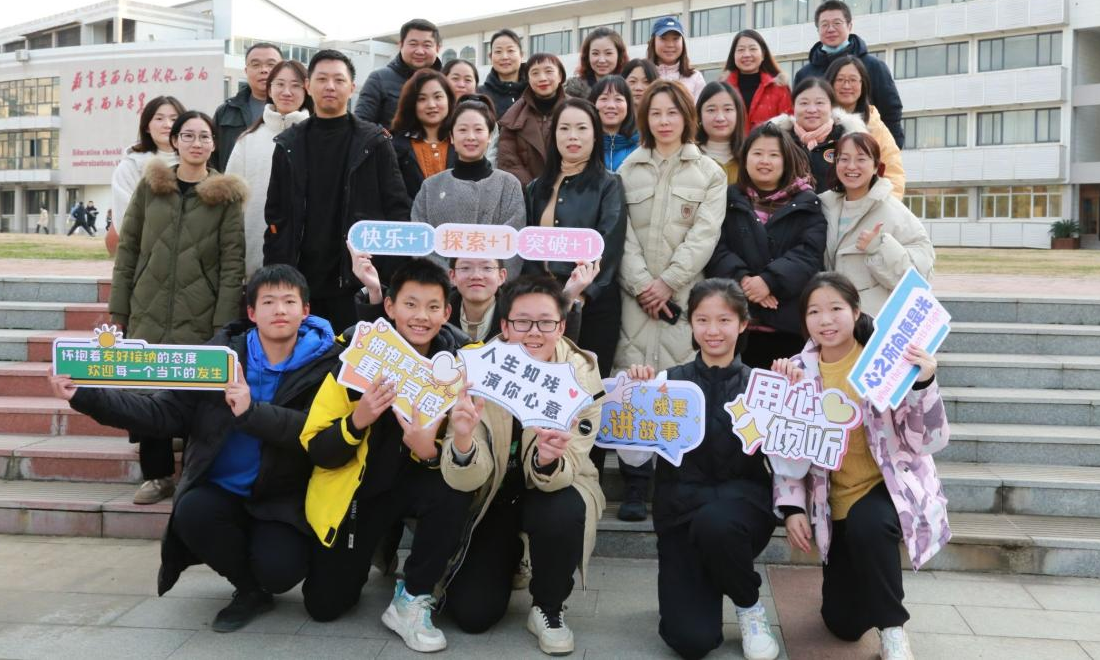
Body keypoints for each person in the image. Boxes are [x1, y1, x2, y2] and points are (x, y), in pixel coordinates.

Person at [49, 265, 337, 632]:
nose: (279, 310)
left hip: (282, 498)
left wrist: (252, 412)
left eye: (289, 301)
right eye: (268, 302)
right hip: (221, 490)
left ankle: (263, 572)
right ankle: (249, 591)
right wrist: (87, 396)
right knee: (192, 511)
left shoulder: (325, 365)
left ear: (305, 310)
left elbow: (313, 430)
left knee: (280, 571)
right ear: (251, 312)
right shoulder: (216, 359)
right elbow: (161, 413)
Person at [300, 259, 474, 653]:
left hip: (422, 483)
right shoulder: (357, 357)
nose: (421, 316)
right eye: (410, 304)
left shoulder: (458, 368)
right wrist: (357, 421)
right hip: (362, 492)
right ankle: (376, 550)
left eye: (433, 307)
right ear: (390, 306)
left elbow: (471, 454)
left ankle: (414, 595)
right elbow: (316, 446)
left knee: (453, 485)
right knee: (324, 605)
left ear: (447, 312)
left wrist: (430, 451)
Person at [773, 272, 950, 660]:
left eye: (835, 308)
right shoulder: (795, 371)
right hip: (833, 505)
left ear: (855, 311)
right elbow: (786, 450)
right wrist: (792, 508)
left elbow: (929, 441)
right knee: (843, 624)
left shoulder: (885, 362)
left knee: (869, 526)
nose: (825, 320)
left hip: (886, 489)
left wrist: (923, 383)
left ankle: (893, 630)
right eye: (814, 312)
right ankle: (870, 586)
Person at [440, 276, 606, 655]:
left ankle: (548, 607)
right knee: (473, 615)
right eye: (522, 321)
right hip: (493, 491)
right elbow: (465, 477)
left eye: (545, 322)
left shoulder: (581, 373)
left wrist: (548, 459)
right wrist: (463, 440)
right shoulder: (477, 367)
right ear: (504, 325)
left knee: (562, 508)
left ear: (561, 326)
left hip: (556, 487)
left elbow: (572, 459)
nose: (534, 332)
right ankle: (513, 556)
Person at [620, 279, 783, 660]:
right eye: (702, 320)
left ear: (743, 324)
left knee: (717, 524)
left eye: (724, 320)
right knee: (691, 641)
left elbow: (788, 462)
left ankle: (748, 606)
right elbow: (635, 459)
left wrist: (792, 391)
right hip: (680, 514)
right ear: (690, 324)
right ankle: (708, 582)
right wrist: (635, 401)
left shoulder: (763, 387)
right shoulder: (667, 384)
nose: (713, 330)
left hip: (741, 512)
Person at [110, 110, 247, 505]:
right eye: (188, 135)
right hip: (147, 307)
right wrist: (119, 310)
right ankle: (156, 477)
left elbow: (232, 264)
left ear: (214, 144)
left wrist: (223, 323)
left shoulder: (225, 197)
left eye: (204, 136)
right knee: (148, 392)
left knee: (195, 394)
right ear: (174, 141)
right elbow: (129, 248)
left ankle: (192, 475)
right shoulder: (151, 186)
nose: (196, 143)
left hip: (200, 312)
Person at [614, 79, 727, 520]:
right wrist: (643, 284)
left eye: (672, 112)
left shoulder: (710, 173)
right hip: (635, 297)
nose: (664, 121)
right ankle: (635, 483)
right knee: (632, 378)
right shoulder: (628, 169)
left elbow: (704, 236)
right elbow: (620, 234)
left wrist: (667, 283)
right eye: (656, 113)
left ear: (687, 117)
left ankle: (675, 480)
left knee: (678, 382)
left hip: (683, 297)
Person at [263, 49, 412, 333]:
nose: (330, 86)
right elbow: (275, 216)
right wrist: (277, 277)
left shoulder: (375, 142)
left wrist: (386, 278)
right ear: (308, 85)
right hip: (301, 283)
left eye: (339, 80)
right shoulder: (288, 144)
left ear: (352, 87)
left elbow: (397, 211)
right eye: (322, 79)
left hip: (359, 283)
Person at [707, 123, 825, 368]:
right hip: (736, 324)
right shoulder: (728, 198)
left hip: (788, 328)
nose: (764, 161)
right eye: (757, 153)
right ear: (745, 158)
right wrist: (744, 281)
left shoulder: (807, 203)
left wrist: (769, 281)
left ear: (786, 160)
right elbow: (715, 246)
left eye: (773, 155)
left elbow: (809, 254)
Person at [524, 98, 627, 378]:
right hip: (542, 305)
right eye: (564, 128)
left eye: (582, 128)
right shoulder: (536, 188)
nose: (573, 136)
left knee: (586, 384)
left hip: (591, 306)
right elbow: (527, 245)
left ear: (595, 135)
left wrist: (578, 296)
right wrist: (540, 297)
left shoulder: (609, 184)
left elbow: (609, 245)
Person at [820, 132, 934, 316]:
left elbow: (918, 278)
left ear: (875, 167)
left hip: (871, 320)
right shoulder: (823, 206)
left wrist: (879, 247)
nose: (851, 166)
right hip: (831, 318)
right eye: (844, 159)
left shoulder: (894, 212)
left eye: (861, 159)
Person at [411, 101, 526, 278]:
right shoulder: (431, 187)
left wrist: (490, 279)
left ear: (490, 136)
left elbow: (513, 245)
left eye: (478, 130)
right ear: (451, 137)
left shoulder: (508, 185)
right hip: (441, 287)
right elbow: (421, 243)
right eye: (463, 130)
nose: (471, 137)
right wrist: (450, 278)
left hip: (493, 287)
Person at [225, 61, 312, 278]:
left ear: (307, 90)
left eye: (296, 85)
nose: (287, 92)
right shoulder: (248, 140)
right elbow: (230, 202)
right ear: (270, 89)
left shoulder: (317, 137)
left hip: (309, 255)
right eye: (279, 84)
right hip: (254, 253)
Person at [794, 0, 904, 147]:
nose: (830, 29)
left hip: (866, 148)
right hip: (817, 150)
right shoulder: (805, 74)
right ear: (818, 29)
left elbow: (891, 111)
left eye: (837, 23)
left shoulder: (873, 66)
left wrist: (891, 149)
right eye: (824, 25)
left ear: (849, 26)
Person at [109, 96, 187, 254]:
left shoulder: (197, 161)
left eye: (174, 119)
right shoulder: (131, 166)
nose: (167, 125)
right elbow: (125, 219)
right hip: (146, 254)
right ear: (147, 127)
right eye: (159, 119)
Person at [825, 56, 905, 200]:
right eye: (840, 79)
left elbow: (893, 173)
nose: (846, 86)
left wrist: (881, 207)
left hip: (864, 206)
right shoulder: (816, 119)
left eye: (853, 80)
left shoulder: (875, 127)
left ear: (863, 84)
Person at [769, 78, 868, 192]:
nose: (812, 110)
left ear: (831, 107)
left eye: (820, 103)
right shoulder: (779, 140)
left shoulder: (848, 139)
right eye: (804, 103)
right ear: (793, 106)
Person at [355, 18, 443, 128]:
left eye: (427, 45)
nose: (420, 51)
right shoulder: (379, 79)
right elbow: (361, 124)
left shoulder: (447, 80)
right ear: (401, 45)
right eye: (413, 44)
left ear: (438, 48)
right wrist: (388, 137)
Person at [497, 52, 564, 188]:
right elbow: (508, 161)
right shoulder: (513, 115)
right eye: (535, 73)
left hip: (569, 193)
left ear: (560, 76)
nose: (542, 78)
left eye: (549, 71)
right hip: (526, 194)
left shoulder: (576, 110)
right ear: (528, 79)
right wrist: (534, 189)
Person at [214, 42, 283, 172]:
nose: (264, 70)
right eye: (256, 65)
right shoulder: (226, 112)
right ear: (246, 71)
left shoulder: (298, 111)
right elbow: (213, 159)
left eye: (271, 64)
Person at [390, 70, 457, 201]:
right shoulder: (395, 147)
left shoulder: (462, 142)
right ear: (411, 104)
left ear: (449, 100)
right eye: (422, 99)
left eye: (438, 97)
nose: (431, 105)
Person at [722, 30, 791, 131]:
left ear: (763, 54)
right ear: (733, 55)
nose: (746, 54)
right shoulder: (722, 89)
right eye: (741, 50)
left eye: (753, 49)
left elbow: (789, 126)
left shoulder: (779, 87)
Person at [695, 81, 747, 184]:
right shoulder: (689, 157)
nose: (720, 118)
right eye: (711, 110)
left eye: (727, 109)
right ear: (699, 115)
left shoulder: (750, 156)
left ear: (738, 113)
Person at [646, 16, 706, 99]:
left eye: (676, 39)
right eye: (663, 39)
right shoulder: (643, 76)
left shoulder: (695, 78)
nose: (670, 45)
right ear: (653, 42)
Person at [588, 74, 639, 171]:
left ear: (628, 105)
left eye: (618, 99)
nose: (611, 105)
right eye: (604, 99)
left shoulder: (642, 145)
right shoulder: (585, 145)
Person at [478, 29, 526, 119]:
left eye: (510, 50)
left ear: (521, 55)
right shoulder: (479, 95)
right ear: (490, 57)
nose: (504, 57)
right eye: (498, 51)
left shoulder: (534, 90)